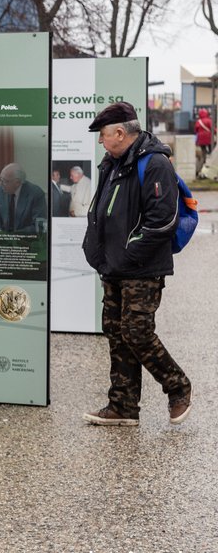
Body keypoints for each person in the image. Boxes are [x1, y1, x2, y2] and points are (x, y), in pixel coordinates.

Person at [81, 101, 192, 426]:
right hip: (113, 266)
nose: (101, 141)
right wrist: (98, 250)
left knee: (136, 331)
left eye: (103, 135)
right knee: (116, 331)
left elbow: (163, 219)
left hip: (142, 268)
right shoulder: (112, 163)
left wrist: (129, 253)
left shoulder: (155, 163)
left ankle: (178, 387)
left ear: (120, 132)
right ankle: (123, 406)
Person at [0, 163, 47, 234]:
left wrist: (15, 236)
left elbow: (39, 226)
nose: (1, 184)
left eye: (5, 181)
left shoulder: (36, 194)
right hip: (3, 240)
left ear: (17, 182)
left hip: (25, 241)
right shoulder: (1, 190)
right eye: (0, 179)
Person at [194, 107, 212, 178]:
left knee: (203, 152)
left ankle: (204, 160)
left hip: (201, 140)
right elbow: (213, 128)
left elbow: (196, 130)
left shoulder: (198, 121)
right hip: (209, 138)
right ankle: (209, 160)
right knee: (211, 151)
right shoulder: (209, 120)